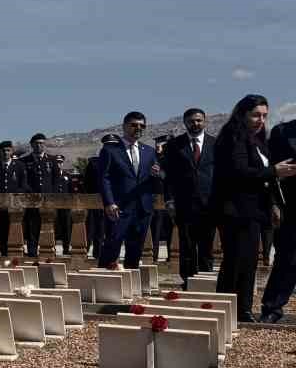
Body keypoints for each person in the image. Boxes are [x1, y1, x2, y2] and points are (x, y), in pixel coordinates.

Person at [211, 95, 296, 320]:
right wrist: (274, 172)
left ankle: (243, 311)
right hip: (236, 210)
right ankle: (226, 313)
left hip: (253, 212)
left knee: (248, 263)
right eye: (256, 115)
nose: (261, 120)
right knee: (236, 263)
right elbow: (238, 172)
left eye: (264, 116)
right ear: (243, 114)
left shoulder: (256, 140)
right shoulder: (233, 137)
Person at [97, 111, 164, 270]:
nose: (138, 128)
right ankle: (104, 281)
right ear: (124, 126)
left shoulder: (149, 151)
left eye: (142, 126)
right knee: (112, 245)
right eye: (134, 125)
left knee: (135, 249)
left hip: (143, 208)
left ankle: (130, 284)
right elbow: (104, 178)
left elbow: (157, 178)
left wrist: (158, 174)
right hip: (119, 208)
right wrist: (109, 202)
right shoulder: (110, 150)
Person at [161, 108, 216, 282]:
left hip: (209, 205)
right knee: (187, 248)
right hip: (184, 206)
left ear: (205, 121)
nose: (196, 124)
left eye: (199, 120)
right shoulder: (174, 146)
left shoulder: (215, 144)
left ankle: (206, 283)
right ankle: (187, 283)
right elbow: (168, 177)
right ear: (185, 123)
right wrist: (169, 200)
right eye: (192, 121)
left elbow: (221, 174)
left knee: (207, 248)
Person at [258, 113, 296, 322]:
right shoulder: (282, 132)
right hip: (291, 206)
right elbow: (271, 171)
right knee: (288, 259)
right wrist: (273, 202)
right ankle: (272, 308)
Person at [16, 134, 60, 257]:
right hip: (32, 200)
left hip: (48, 200)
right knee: (32, 227)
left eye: (41, 143)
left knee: (48, 227)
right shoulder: (24, 161)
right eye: (36, 143)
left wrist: (53, 196)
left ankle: (49, 252)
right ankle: (32, 252)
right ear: (31, 144)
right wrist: (30, 193)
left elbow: (56, 180)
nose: (39, 145)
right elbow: (23, 181)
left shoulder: (52, 160)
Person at [81, 137, 117, 258]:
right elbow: (87, 183)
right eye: (108, 145)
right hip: (98, 202)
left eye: (113, 145)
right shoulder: (94, 163)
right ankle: (98, 253)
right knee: (98, 229)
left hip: (116, 201)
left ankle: (112, 254)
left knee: (114, 229)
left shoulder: (121, 161)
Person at [0, 141, 20, 256]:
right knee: (1, 233)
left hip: (14, 206)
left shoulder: (19, 166)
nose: (6, 153)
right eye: (3, 151)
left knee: (14, 232)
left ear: (11, 151)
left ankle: (15, 256)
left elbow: (23, 185)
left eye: (8, 150)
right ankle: (3, 254)